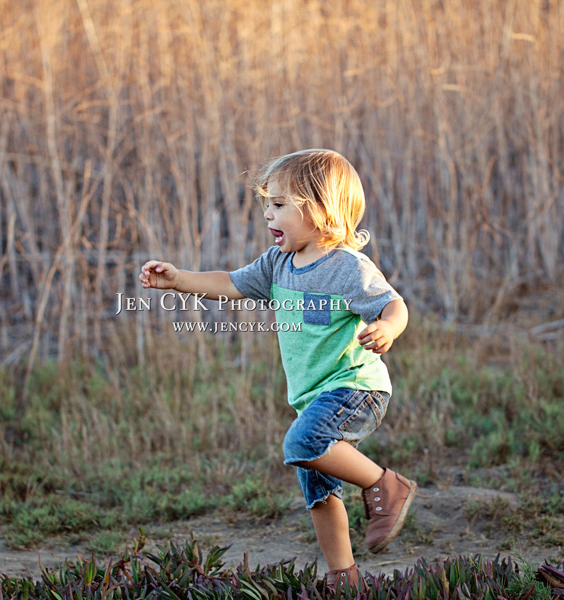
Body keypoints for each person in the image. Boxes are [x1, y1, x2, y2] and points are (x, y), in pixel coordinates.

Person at [139, 149, 415, 593]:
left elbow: (393, 305)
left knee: (303, 442)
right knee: (320, 493)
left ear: (321, 209)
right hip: (313, 398)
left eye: (280, 204)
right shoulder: (278, 265)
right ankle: (344, 579)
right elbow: (229, 283)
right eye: (267, 203)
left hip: (354, 388)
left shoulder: (346, 266)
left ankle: (387, 485)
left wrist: (387, 328)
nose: (268, 213)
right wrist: (179, 279)